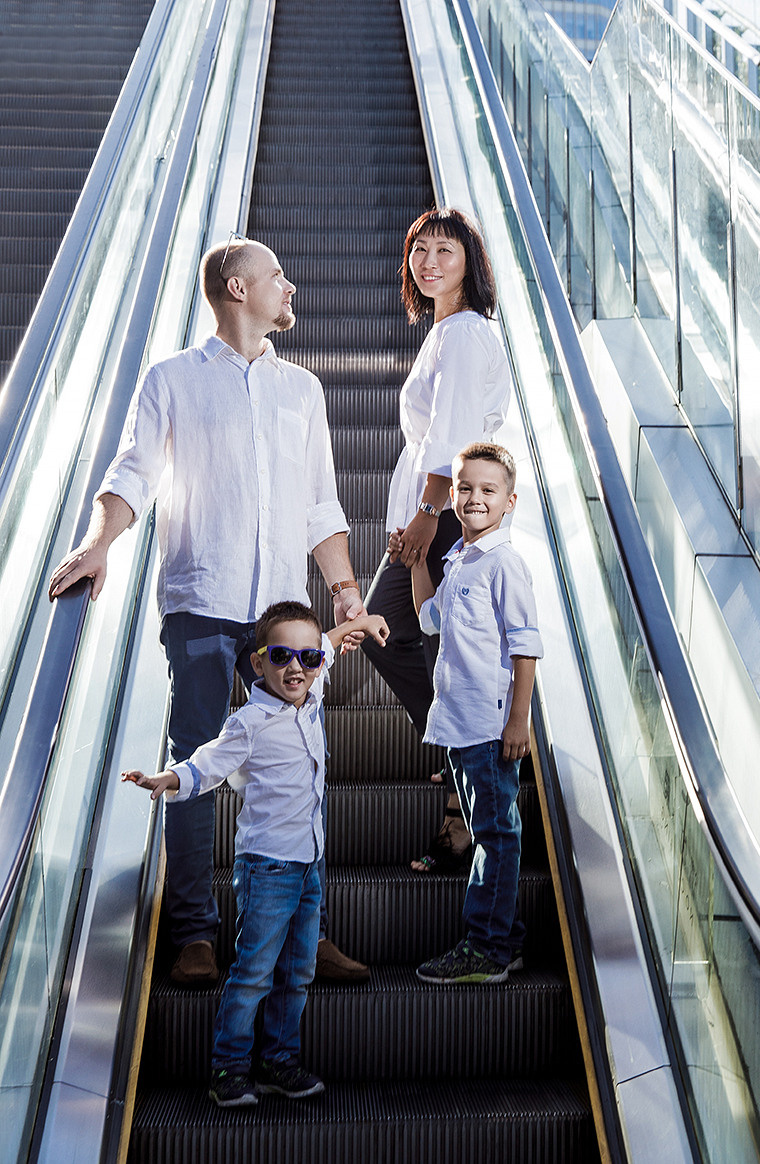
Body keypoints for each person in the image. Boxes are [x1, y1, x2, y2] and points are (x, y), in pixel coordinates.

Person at [48, 236, 369, 985]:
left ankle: (300, 931)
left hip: (285, 616)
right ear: (235, 287)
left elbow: (321, 501)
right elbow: (135, 469)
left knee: (294, 773)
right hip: (201, 600)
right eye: (277, 277)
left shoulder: (304, 391)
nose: (291, 288)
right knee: (195, 765)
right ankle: (193, 933)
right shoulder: (172, 381)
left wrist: (347, 592)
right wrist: (99, 545)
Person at [123, 601, 390, 1106]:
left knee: (299, 969)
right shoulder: (249, 721)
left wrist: (358, 623)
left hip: (311, 863)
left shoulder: (312, 692)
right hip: (267, 866)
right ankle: (228, 1067)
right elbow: (208, 763)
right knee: (254, 970)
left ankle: (279, 1061)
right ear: (258, 662)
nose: (298, 667)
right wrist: (170, 777)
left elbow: (327, 645)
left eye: (307, 659)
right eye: (283, 656)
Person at [361, 207, 512, 872]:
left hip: (446, 514)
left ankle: (473, 768)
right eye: (419, 251)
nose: (428, 262)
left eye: (444, 251)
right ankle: (464, 776)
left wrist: (426, 513)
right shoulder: (448, 333)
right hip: (434, 511)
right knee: (412, 638)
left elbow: (449, 437)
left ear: (471, 264)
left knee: (389, 626)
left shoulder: (465, 334)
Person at [409, 443, 543, 984]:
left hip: (490, 728)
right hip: (460, 726)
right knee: (489, 830)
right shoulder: (460, 560)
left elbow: (525, 644)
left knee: (494, 835)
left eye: (488, 490)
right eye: (465, 487)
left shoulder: (505, 563)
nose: (474, 498)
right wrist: (418, 562)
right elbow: (428, 620)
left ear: (510, 501)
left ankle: (485, 948)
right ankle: (505, 939)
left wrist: (520, 719)